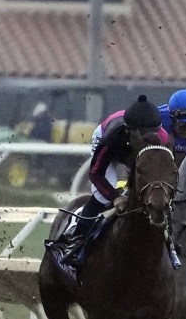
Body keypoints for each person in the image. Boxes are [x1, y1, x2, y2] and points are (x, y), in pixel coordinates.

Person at [56, 94, 165, 266]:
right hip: (110, 138)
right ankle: (77, 239)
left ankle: (170, 244)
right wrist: (115, 197)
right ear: (131, 131)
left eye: (155, 132)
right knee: (102, 194)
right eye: (145, 134)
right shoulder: (111, 138)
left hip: (130, 147)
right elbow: (95, 173)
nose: (151, 138)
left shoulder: (161, 139)